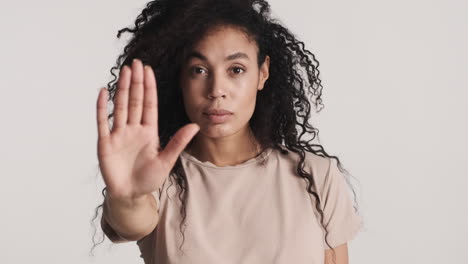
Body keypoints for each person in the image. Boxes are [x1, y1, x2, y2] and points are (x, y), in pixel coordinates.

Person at [91, 0, 363, 263]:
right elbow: (132, 222)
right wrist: (129, 197)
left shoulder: (317, 177)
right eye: (198, 70)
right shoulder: (159, 179)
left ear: (262, 72)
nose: (216, 90)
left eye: (236, 69)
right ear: (180, 79)